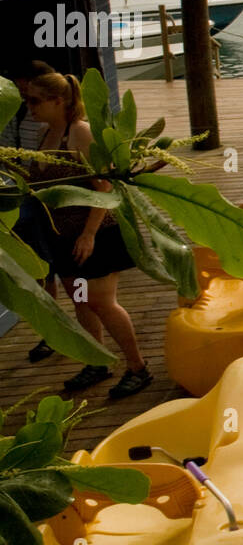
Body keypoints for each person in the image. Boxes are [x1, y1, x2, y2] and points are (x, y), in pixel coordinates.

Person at [23, 72, 151, 398]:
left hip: (95, 237)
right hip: (63, 239)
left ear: (58, 101)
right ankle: (98, 361)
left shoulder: (80, 134)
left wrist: (89, 234)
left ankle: (137, 366)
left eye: (35, 100)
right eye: (27, 100)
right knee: (81, 301)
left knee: (103, 303)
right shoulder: (45, 135)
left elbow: (104, 186)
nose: (29, 107)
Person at [4, 59, 58, 360]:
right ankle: (51, 332)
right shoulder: (20, 109)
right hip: (21, 196)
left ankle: (67, 332)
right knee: (41, 271)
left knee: (63, 277)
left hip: (42, 200)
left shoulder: (51, 119)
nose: (22, 89)